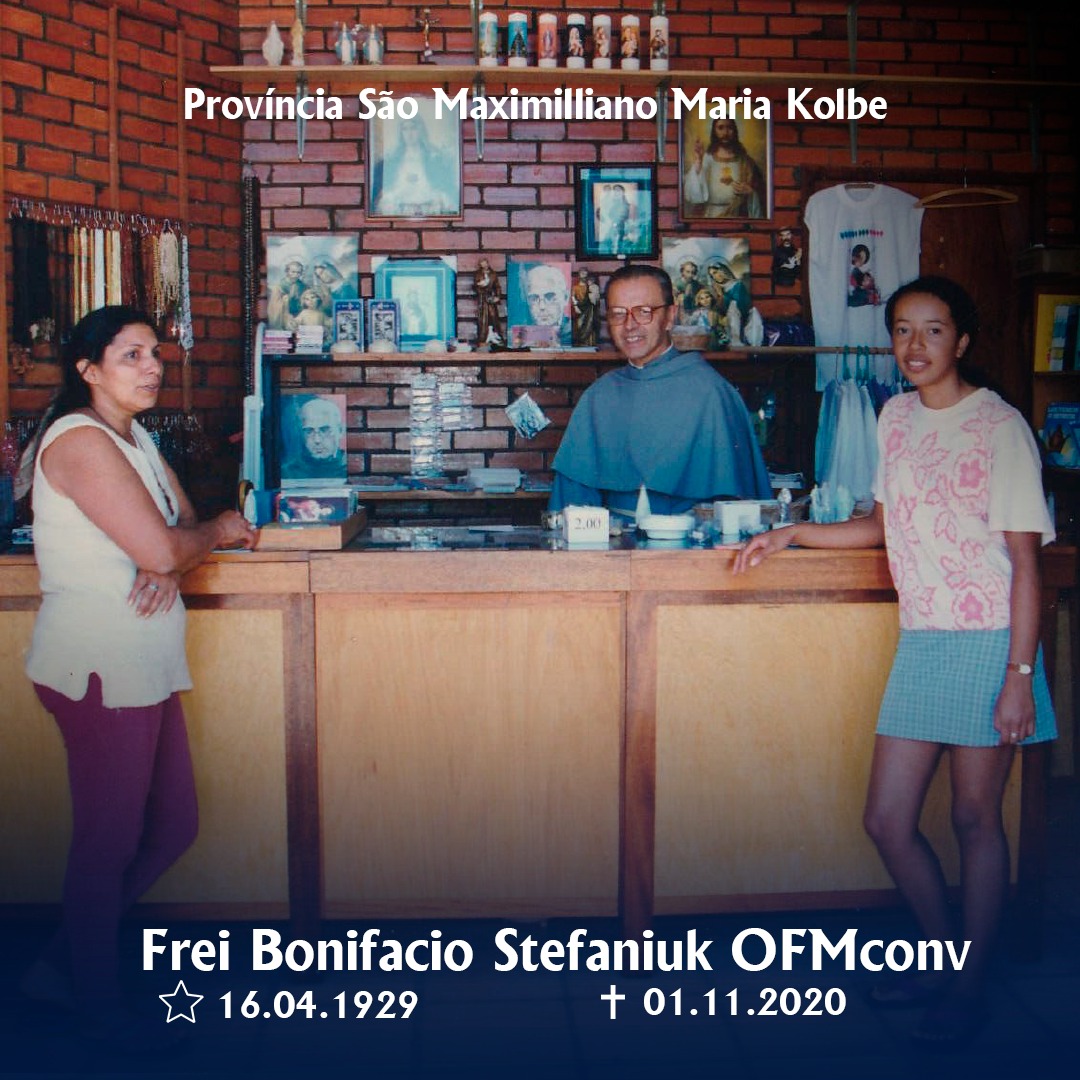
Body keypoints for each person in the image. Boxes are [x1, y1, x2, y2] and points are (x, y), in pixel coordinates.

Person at [733, 276, 1056, 1049]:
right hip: (924, 639)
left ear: (962, 341)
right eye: (903, 330)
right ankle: (945, 960)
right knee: (886, 819)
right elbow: (880, 526)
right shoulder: (896, 417)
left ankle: (967, 987)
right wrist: (791, 533)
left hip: (990, 642)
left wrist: (1019, 678)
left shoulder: (1000, 427)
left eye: (933, 330)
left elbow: (1026, 564)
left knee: (974, 818)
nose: (915, 345)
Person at [18, 305, 256, 1049]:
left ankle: (62, 964)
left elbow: (175, 524)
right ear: (88, 370)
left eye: (155, 353)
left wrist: (176, 555)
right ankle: (95, 1005)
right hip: (98, 665)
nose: (153, 366)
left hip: (141, 663)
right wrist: (206, 536)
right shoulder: (79, 440)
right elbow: (174, 539)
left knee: (173, 824)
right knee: (108, 842)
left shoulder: (135, 436)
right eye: (132, 355)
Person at [549, 265, 770, 513]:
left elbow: (742, 511)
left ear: (670, 316)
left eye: (644, 312)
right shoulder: (598, 396)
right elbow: (571, 509)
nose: (629, 325)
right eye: (618, 314)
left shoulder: (712, 393)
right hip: (611, 538)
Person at [372, 114, 455, 217]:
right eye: (405, 129)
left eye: (413, 128)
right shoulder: (392, 159)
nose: (409, 133)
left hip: (429, 211)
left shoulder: (434, 158)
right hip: (399, 212)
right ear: (401, 132)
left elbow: (445, 188)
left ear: (420, 130)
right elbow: (383, 190)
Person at [682, 118, 766, 219]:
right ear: (714, 131)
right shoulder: (706, 159)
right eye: (720, 128)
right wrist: (698, 161)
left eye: (729, 128)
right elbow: (693, 194)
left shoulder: (746, 162)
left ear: (735, 131)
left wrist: (751, 192)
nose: (725, 133)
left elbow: (762, 192)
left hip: (739, 216)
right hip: (711, 217)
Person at [281, 395, 348, 481]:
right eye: (309, 431)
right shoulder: (287, 473)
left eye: (324, 430)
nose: (317, 440)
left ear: (340, 430)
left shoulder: (350, 468)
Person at [522, 263, 572, 344]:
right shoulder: (522, 335)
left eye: (549, 297)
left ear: (565, 298)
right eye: (534, 298)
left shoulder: (573, 333)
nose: (542, 306)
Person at [267, 258, 305, 329]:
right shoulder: (280, 285)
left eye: (298, 272)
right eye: (293, 272)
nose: (296, 275)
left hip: (299, 315)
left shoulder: (302, 285)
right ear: (287, 271)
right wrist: (288, 298)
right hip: (284, 316)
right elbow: (274, 304)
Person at [474, 258, 504, 347]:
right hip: (482, 299)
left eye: (484, 263)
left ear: (487, 263)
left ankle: (495, 335)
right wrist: (479, 286)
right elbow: (475, 286)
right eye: (482, 264)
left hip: (491, 298)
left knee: (493, 316)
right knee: (483, 318)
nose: (484, 265)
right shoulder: (478, 274)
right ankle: (483, 337)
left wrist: (497, 297)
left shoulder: (493, 274)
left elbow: (497, 286)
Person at [571, 269, 600, 347]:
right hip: (580, 308)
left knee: (590, 324)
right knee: (580, 325)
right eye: (582, 274)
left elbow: (595, 299)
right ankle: (580, 342)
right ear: (578, 275)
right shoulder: (575, 287)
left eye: (585, 274)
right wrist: (575, 307)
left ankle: (589, 343)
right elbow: (573, 297)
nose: (583, 276)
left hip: (589, 309)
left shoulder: (590, 286)